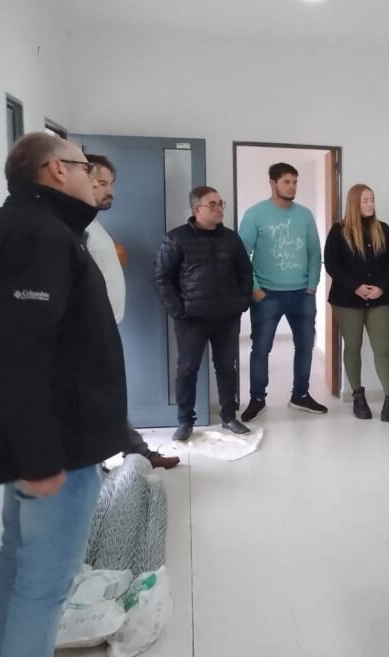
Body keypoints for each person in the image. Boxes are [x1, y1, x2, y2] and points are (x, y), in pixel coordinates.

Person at [0, 133, 128, 657]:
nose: (92, 178)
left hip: (42, 436)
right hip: (59, 446)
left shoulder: (27, 226)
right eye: (84, 167)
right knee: (45, 584)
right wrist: (40, 455)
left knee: (16, 562)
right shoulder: (41, 236)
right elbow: (20, 351)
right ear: (55, 170)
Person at [85, 153, 180, 469]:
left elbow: (112, 259)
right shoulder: (72, 228)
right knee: (101, 396)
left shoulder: (92, 224)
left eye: (110, 183)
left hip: (105, 324)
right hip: (87, 330)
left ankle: (133, 452)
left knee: (110, 394)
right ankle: (111, 459)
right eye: (101, 183)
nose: (109, 190)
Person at [153, 186, 255, 441]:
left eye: (221, 203)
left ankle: (229, 417)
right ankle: (185, 421)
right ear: (196, 209)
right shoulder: (176, 238)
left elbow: (245, 272)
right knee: (187, 370)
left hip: (227, 317)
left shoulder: (231, 239)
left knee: (227, 367)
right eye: (213, 204)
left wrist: (241, 302)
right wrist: (177, 309)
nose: (219, 208)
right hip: (191, 319)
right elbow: (162, 277)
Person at [238, 162, 327, 422]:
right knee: (261, 348)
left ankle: (300, 395)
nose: (292, 187)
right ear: (272, 183)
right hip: (267, 295)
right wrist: (255, 289)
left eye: (295, 182)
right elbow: (241, 255)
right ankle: (257, 399)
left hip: (302, 294)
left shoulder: (305, 215)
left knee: (305, 346)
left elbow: (314, 252)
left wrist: (312, 285)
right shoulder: (255, 214)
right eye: (287, 181)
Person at [324, 184, 389, 426]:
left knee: (382, 349)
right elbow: (332, 264)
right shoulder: (339, 230)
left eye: (372, 199)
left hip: (379, 299)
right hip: (347, 300)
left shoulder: (383, 229)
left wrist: (381, 287)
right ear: (354, 203)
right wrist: (356, 286)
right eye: (365, 200)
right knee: (353, 347)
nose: (371, 204)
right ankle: (358, 397)